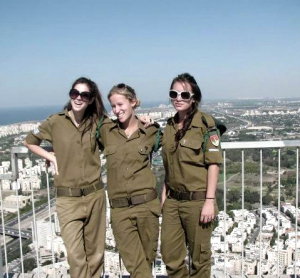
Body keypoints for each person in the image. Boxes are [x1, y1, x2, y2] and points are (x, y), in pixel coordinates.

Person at [24, 77, 107, 278]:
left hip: (95, 196)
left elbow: (119, 134)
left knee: (96, 256)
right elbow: (30, 141)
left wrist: (144, 121)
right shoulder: (55, 121)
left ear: (90, 99)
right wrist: (50, 156)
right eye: (74, 93)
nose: (78, 98)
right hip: (67, 199)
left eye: (84, 95)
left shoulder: (97, 122)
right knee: (76, 257)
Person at [161, 73, 223, 278]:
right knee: (170, 256)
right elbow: (169, 166)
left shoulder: (205, 123)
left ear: (194, 97)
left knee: (199, 260)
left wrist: (209, 201)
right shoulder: (169, 126)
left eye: (184, 94)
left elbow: (213, 164)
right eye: (174, 93)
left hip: (198, 201)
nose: (178, 98)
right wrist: (164, 196)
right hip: (172, 201)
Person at [98, 83, 161, 278]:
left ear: (133, 102)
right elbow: (79, 136)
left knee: (146, 264)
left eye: (120, 104)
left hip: (147, 207)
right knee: (136, 266)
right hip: (120, 211)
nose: (116, 110)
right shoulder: (106, 130)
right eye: (113, 106)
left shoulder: (151, 131)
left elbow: (176, 154)